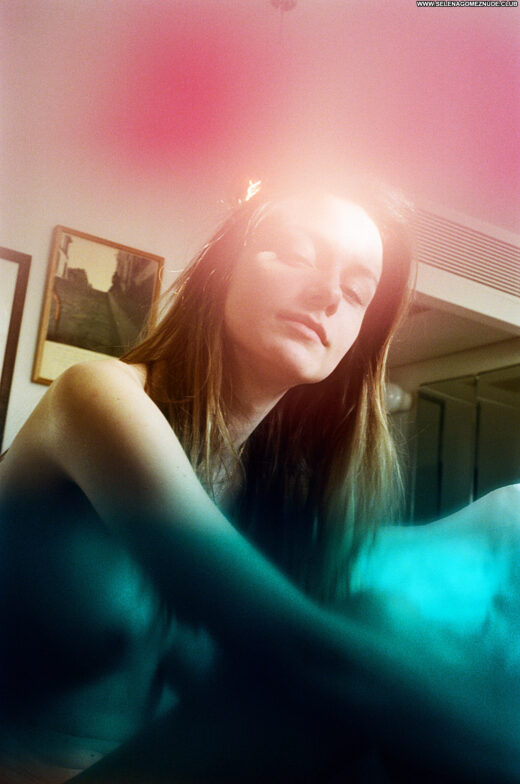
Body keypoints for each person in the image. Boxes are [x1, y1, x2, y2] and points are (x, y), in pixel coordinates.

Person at [0, 180, 518, 783]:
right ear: (222, 270)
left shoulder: (276, 495)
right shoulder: (96, 396)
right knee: (400, 614)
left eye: (357, 292)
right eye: (298, 254)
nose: (329, 295)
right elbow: (299, 656)